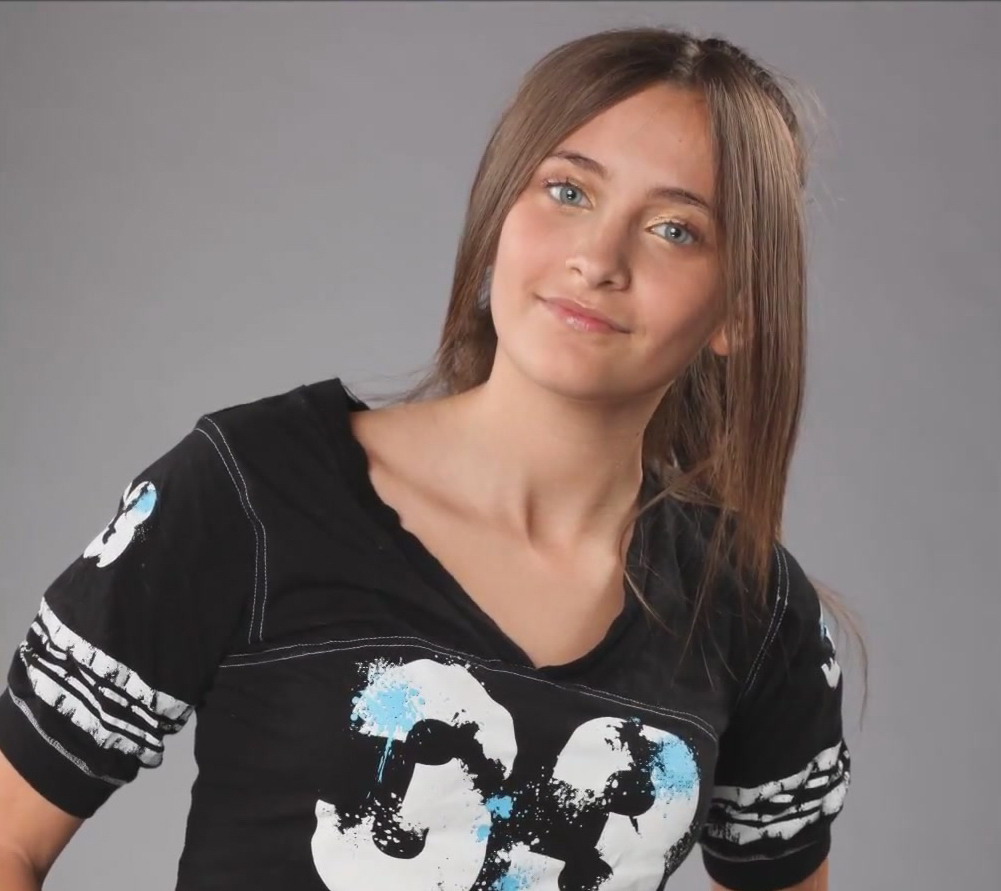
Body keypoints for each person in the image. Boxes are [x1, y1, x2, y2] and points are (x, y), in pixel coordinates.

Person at [0, 25, 863, 891]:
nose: (596, 259)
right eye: (567, 190)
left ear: (738, 311)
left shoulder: (753, 610)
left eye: (674, 229)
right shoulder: (249, 494)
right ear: (499, 212)